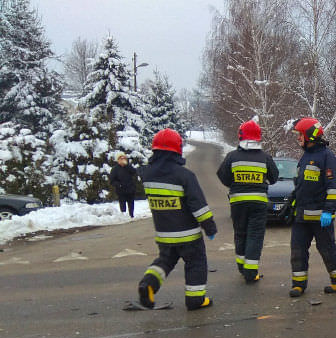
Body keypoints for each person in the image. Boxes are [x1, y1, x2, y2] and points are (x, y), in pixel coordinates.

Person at [137, 129, 217, 310]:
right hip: (188, 235)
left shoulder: (147, 176)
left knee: (164, 262)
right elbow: (198, 205)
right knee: (196, 264)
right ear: (177, 150)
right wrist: (209, 227)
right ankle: (195, 299)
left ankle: (148, 283)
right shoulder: (184, 176)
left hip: (164, 235)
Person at [287, 117, 336, 297]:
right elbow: (300, 185)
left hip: (321, 216)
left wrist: (329, 211)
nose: (298, 138)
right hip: (301, 216)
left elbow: (335, 188)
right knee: (297, 249)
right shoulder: (305, 156)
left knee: (327, 248)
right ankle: (298, 284)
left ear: (310, 135)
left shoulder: (327, 157)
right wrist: (290, 205)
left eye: (300, 135)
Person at [216, 118, 279, 283]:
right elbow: (274, 178)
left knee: (240, 234)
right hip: (258, 203)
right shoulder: (265, 157)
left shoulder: (232, 156)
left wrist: (236, 185)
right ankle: (251, 273)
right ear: (258, 138)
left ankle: (242, 267)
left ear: (240, 137)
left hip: (237, 203)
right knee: (255, 236)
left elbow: (222, 176)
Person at [108, 152, 139, 218]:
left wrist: (127, 166)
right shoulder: (115, 169)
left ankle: (131, 215)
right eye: (120, 158)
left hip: (130, 189)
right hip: (121, 190)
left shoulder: (128, 167)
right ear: (118, 160)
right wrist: (118, 184)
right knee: (122, 203)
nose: (122, 160)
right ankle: (124, 215)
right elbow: (112, 180)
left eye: (123, 158)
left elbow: (134, 172)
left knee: (131, 203)